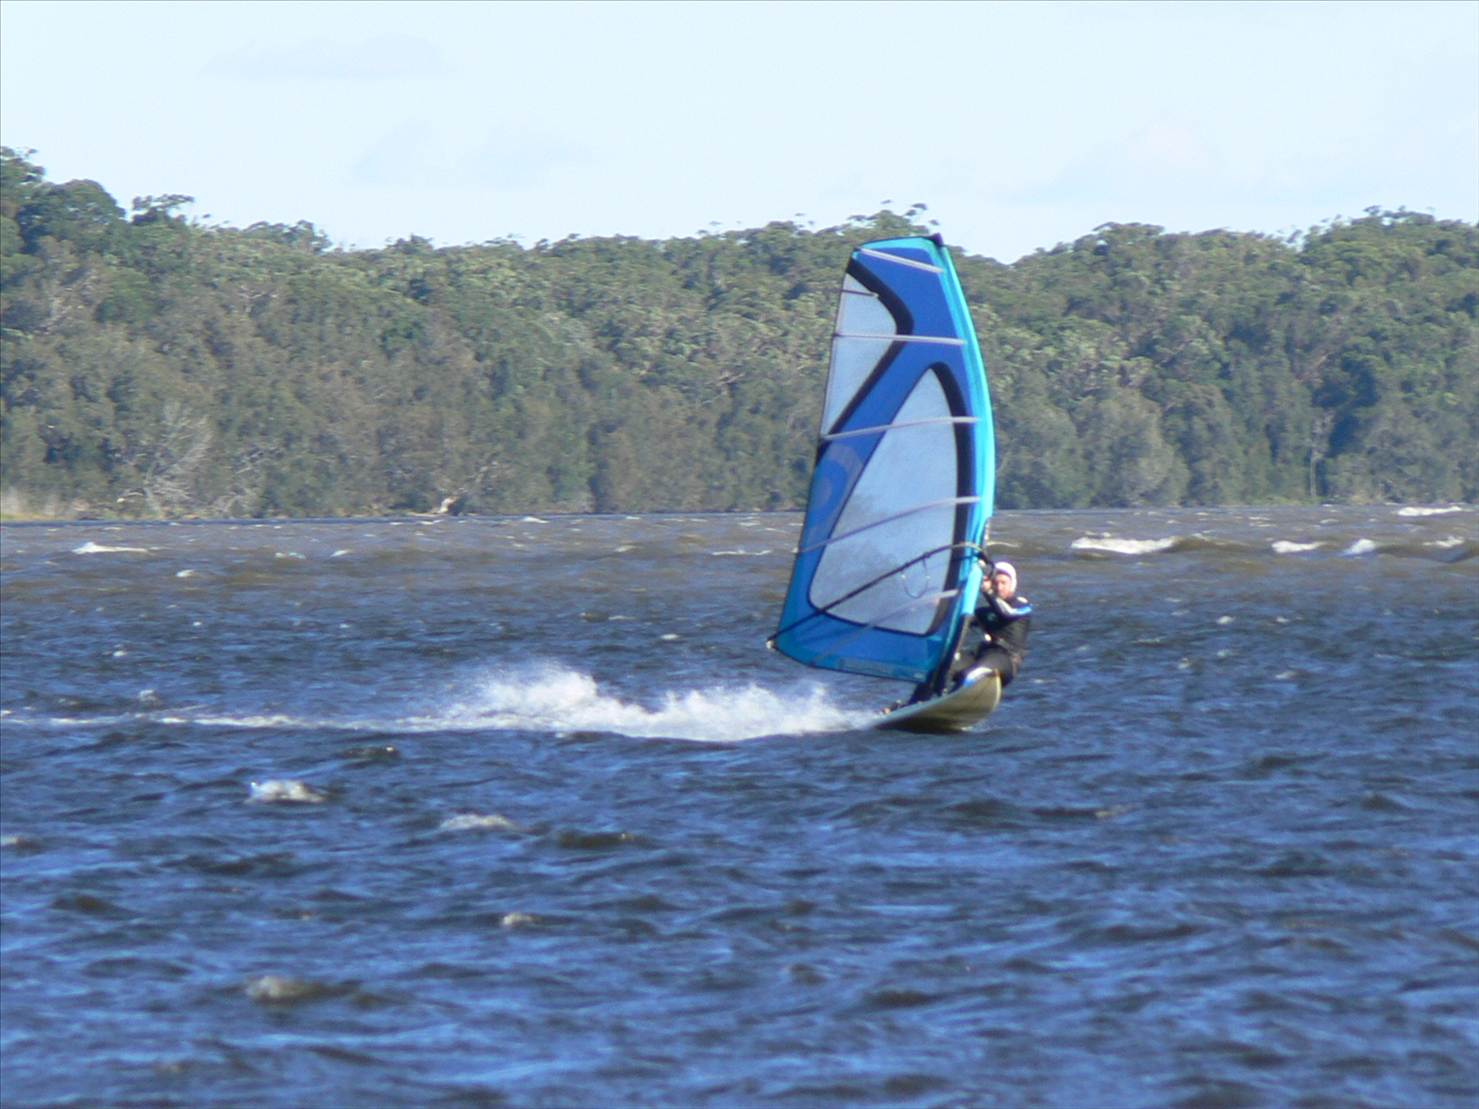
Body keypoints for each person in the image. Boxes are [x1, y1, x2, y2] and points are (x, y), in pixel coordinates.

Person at [902, 559, 1032, 706]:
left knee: (971, 675)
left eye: (1004, 583)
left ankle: (948, 705)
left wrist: (988, 592)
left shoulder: (1022, 606)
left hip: (1006, 660)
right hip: (982, 655)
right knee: (941, 666)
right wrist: (936, 605)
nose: (999, 587)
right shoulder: (986, 612)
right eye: (996, 583)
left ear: (1012, 584)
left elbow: (1006, 613)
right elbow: (958, 618)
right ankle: (913, 705)